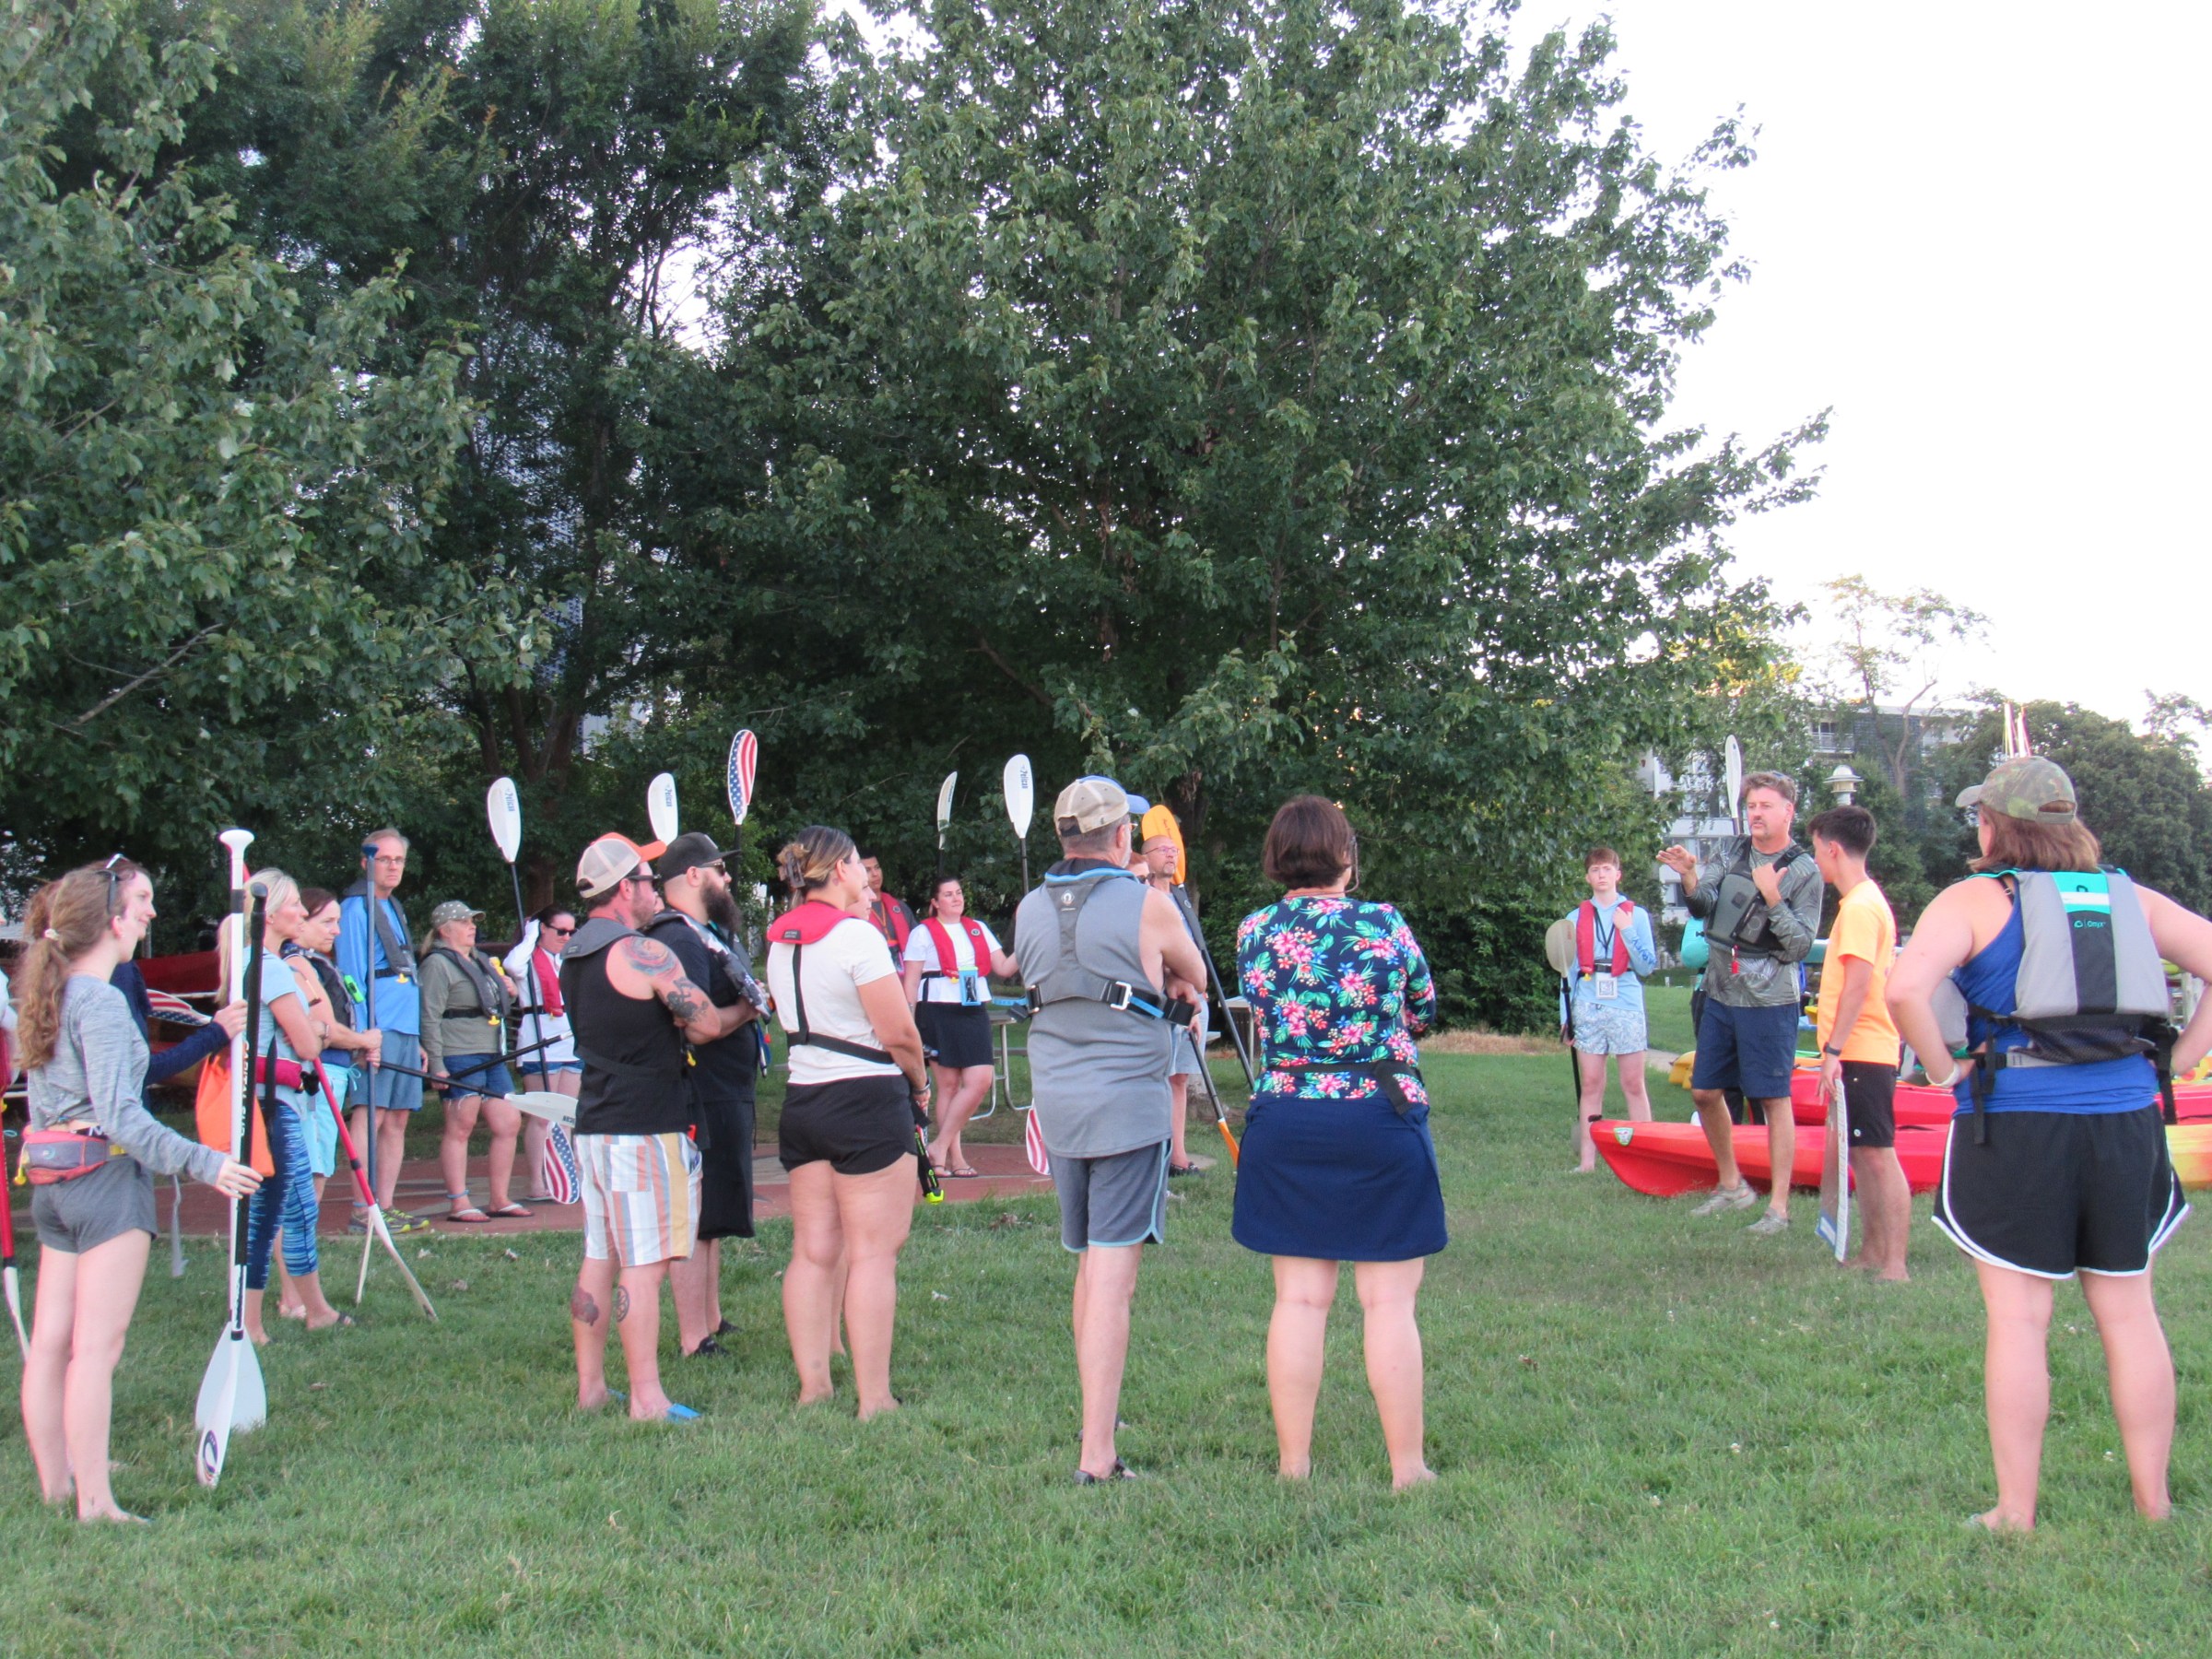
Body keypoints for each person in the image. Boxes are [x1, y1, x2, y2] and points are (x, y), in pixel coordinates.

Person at [1888, 756, 2212, 1532]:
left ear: (1994, 824)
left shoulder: (1972, 899)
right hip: (2127, 1122)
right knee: (2130, 1313)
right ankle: (2153, 1505)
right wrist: (2183, 1058)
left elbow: (1903, 989)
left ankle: (2017, 1513)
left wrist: (1943, 1070)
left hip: (2016, 1123)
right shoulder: (2134, 899)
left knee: (2020, 1318)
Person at [18, 862, 260, 1522]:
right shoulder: (95, 999)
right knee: (96, 1350)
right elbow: (123, 1116)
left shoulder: (52, 992)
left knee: (51, 1345)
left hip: (54, 1184)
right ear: (111, 921)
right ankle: (96, 1503)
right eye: (143, 903)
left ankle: (60, 1488)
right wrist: (208, 1164)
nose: (152, 915)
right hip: (103, 1183)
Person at [1231, 796, 1442, 1488]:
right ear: (1344, 855)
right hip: (1377, 1115)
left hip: (1288, 1118)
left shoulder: (1254, 930)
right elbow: (1423, 1008)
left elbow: (1263, 1010)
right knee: (1388, 1303)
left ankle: (1294, 1467)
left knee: (1298, 1300)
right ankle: (1407, 1469)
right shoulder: (1383, 923)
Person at [1013, 777, 1205, 1483]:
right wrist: (1176, 986)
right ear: (1121, 836)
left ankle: (1102, 1410)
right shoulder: (1149, 904)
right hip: (1127, 1105)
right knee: (1114, 1272)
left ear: (1063, 835)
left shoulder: (1028, 907)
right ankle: (1098, 1455)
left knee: (1090, 1262)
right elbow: (1194, 976)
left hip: (1058, 1106)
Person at [764, 827, 931, 1418]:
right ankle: (874, 1397)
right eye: (859, 864)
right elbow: (899, 1033)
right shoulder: (858, 936)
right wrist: (920, 1083)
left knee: (813, 1251)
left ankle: (814, 1388)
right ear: (838, 871)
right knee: (872, 1253)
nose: (865, 874)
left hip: (803, 1101)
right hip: (865, 1100)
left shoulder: (780, 942)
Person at [562, 832, 727, 1421]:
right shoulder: (642, 952)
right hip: (646, 1126)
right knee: (645, 1263)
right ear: (624, 889)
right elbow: (704, 1023)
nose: (655, 890)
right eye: (646, 881)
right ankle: (647, 1398)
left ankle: (591, 1389)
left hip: (596, 1122)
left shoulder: (574, 953)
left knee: (599, 1255)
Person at [1657, 771, 1822, 1232]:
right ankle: (1733, 1187)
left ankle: (1780, 1209)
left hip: (1770, 1001)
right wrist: (1690, 875)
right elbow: (1703, 906)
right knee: (1705, 1091)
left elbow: (1797, 946)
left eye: (1765, 806)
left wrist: (1772, 898)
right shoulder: (1732, 852)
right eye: (1751, 806)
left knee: (1772, 1099)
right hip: (1720, 992)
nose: (1756, 814)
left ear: (1788, 811)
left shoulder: (1805, 872)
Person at [648, 833, 768, 1358]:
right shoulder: (679, 937)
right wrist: (750, 1009)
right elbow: (694, 1025)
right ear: (693, 876)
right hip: (700, 1091)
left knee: (715, 1213)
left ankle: (711, 1318)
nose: (728, 878)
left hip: (725, 1088)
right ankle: (693, 1337)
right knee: (696, 1218)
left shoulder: (708, 931)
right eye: (719, 869)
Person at [239, 871, 351, 1341]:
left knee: (264, 1213)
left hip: (265, 1104)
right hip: (275, 1107)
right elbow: (307, 1044)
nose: (303, 914)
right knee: (295, 1208)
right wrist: (315, 1028)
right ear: (268, 911)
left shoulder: (252, 962)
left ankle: (256, 1321)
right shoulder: (272, 967)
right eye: (295, 906)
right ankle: (310, 1310)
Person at [1804, 806, 1910, 1281]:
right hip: (1858, 1049)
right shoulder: (1859, 903)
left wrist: (1834, 1052)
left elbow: (1859, 983)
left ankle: (1896, 1263)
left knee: (1878, 1154)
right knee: (1862, 1153)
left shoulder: (1863, 907)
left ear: (1833, 848)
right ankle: (1872, 1251)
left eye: (1815, 849)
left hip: (1864, 1050)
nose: (1816, 860)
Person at [283, 888, 415, 1237]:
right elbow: (322, 1028)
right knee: (314, 1163)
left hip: (338, 1067)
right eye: (327, 922)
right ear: (301, 920)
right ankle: (301, 1244)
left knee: (320, 1160)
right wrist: (363, 1040)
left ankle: (302, 1244)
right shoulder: (297, 963)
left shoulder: (316, 962)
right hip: (317, 1070)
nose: (336, 931)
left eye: (338, 922)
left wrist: (358, 1045)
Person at [417, 901, 528, 1222]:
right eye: (463, 921)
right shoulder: (437, 964)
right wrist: (437, 1063)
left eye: (473, 921)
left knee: (508, 1122)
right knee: (461, 1125)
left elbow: (492, 1001)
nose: (472, 926)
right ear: (444, 929)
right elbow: (429, 1015)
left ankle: (500, 1197)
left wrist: (508, 990)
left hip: (491, 1051)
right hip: (458, 1050)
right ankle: (459, 1201)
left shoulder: (479, 960)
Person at [900, 873, 1017, 1180]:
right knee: (949, 1086)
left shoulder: (978, 929)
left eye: (959, 893)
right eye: (948, 894)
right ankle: (954, 1158)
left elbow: (1004, 967)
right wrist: (908, 1023)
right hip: (937, 1009)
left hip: (973, 1008)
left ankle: (937, 1147)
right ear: (935, 903)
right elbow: (911, 981)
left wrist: (1030, 944)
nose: (956, 898)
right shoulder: (922, 933)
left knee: (980, 1080)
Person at [337, 829, 422, 1219]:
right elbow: (352, 972)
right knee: (372, 1111)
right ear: (365, 862)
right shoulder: (357, 908)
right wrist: (363, 1031)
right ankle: (362, 1207)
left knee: (398, 1116)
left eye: (398, 860)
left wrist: (417, 1036)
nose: (392, 866)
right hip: (380, 1023)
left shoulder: (393, 905)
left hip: (404, 1024)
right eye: (384, 859)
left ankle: (385, 1204)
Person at [1559, 847, 1659, 1173]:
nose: (1601, 875)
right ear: (1588, 877)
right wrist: (1566, 1018)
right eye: (1595, 870)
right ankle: (1588, 1161)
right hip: (1588, 1002)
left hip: (1626, 1001)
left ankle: (1646, 1156)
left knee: (1633, 1082)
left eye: (1607, 869)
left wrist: (1627, 929)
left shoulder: (1637, 915)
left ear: (1618, 874)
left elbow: (1646, 966)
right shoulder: (1575, 919)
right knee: (1591, 1083)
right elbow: (1568, 972)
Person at [1138, 830, 1213, 1177]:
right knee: (1159, 1076)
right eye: (1162, 849)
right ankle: (1154, 1154)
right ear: (1146, 856)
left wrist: (1199, 988)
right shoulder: (1142, 897)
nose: (1171, 855)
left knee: (1180, 1077)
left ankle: (1178, 1156)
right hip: (1163, 1001)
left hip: (1194, 1000)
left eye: (1175, 849)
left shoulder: (1181, 900)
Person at [504, 903, 581, 1201]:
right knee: (542, 1115)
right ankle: (537, 1181)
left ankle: (562, 1174)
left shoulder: (567, 959)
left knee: (565, 1113)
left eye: (571, 931)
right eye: (560, 931)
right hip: (539, 1038)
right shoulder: (528, 959)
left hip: (568, 1038)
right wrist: (530, 935)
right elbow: (511, 966)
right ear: (543, 930)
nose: (566, 936)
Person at [859, 851, 916, 960]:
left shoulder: (899, 906)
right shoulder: (854, 909)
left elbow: (918, 941)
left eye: (877, 867)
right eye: (868, 870)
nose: (875, 874)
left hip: (905, 970)